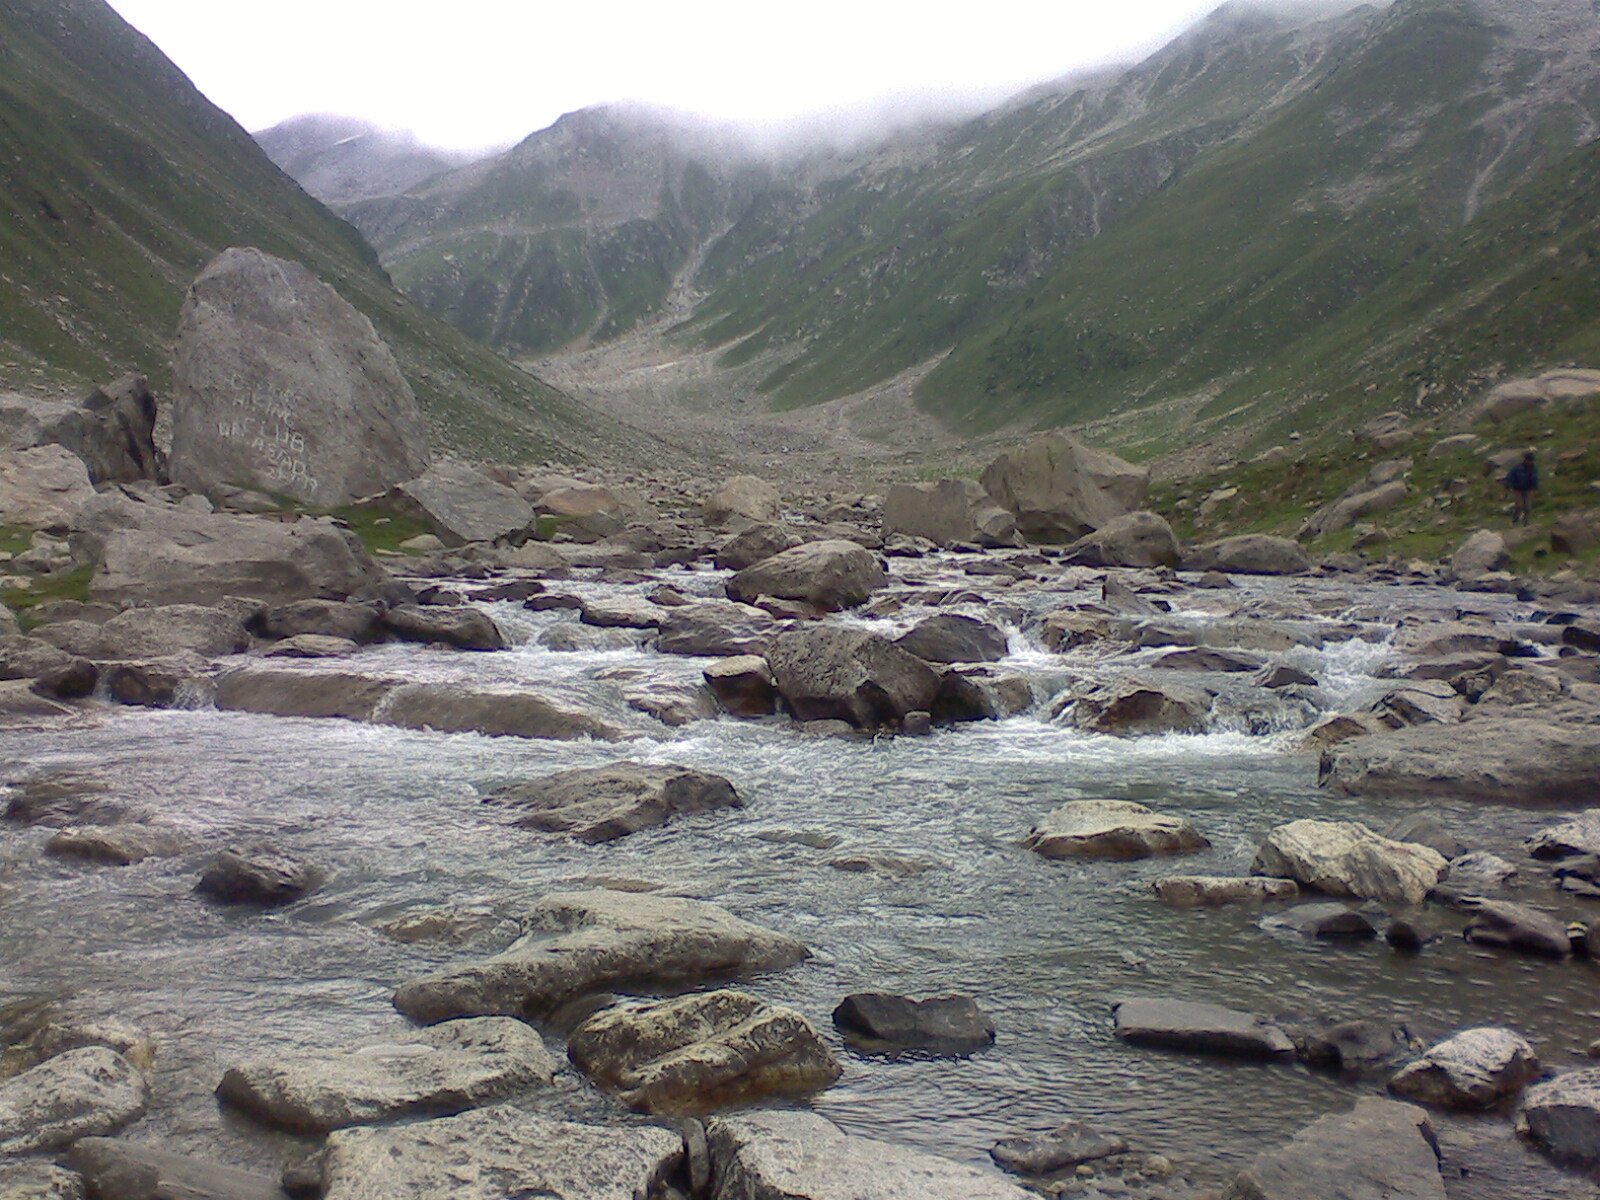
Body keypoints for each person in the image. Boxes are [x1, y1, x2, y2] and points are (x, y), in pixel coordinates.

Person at [1504, 450, 1538, 526]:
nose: (1530, 462)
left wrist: (1535, 488)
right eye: (1528, 460)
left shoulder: (1533, 468)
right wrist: (1507, 487)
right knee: (1519, 506)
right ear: (1525, 460)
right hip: (1517, 489)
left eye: (1531, 460)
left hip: (1528, 489)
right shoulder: (1517, 468)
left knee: (1528, 507)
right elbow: (1509, 477)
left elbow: (1535, 479)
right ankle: (1514, 520)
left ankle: (1526, 521)